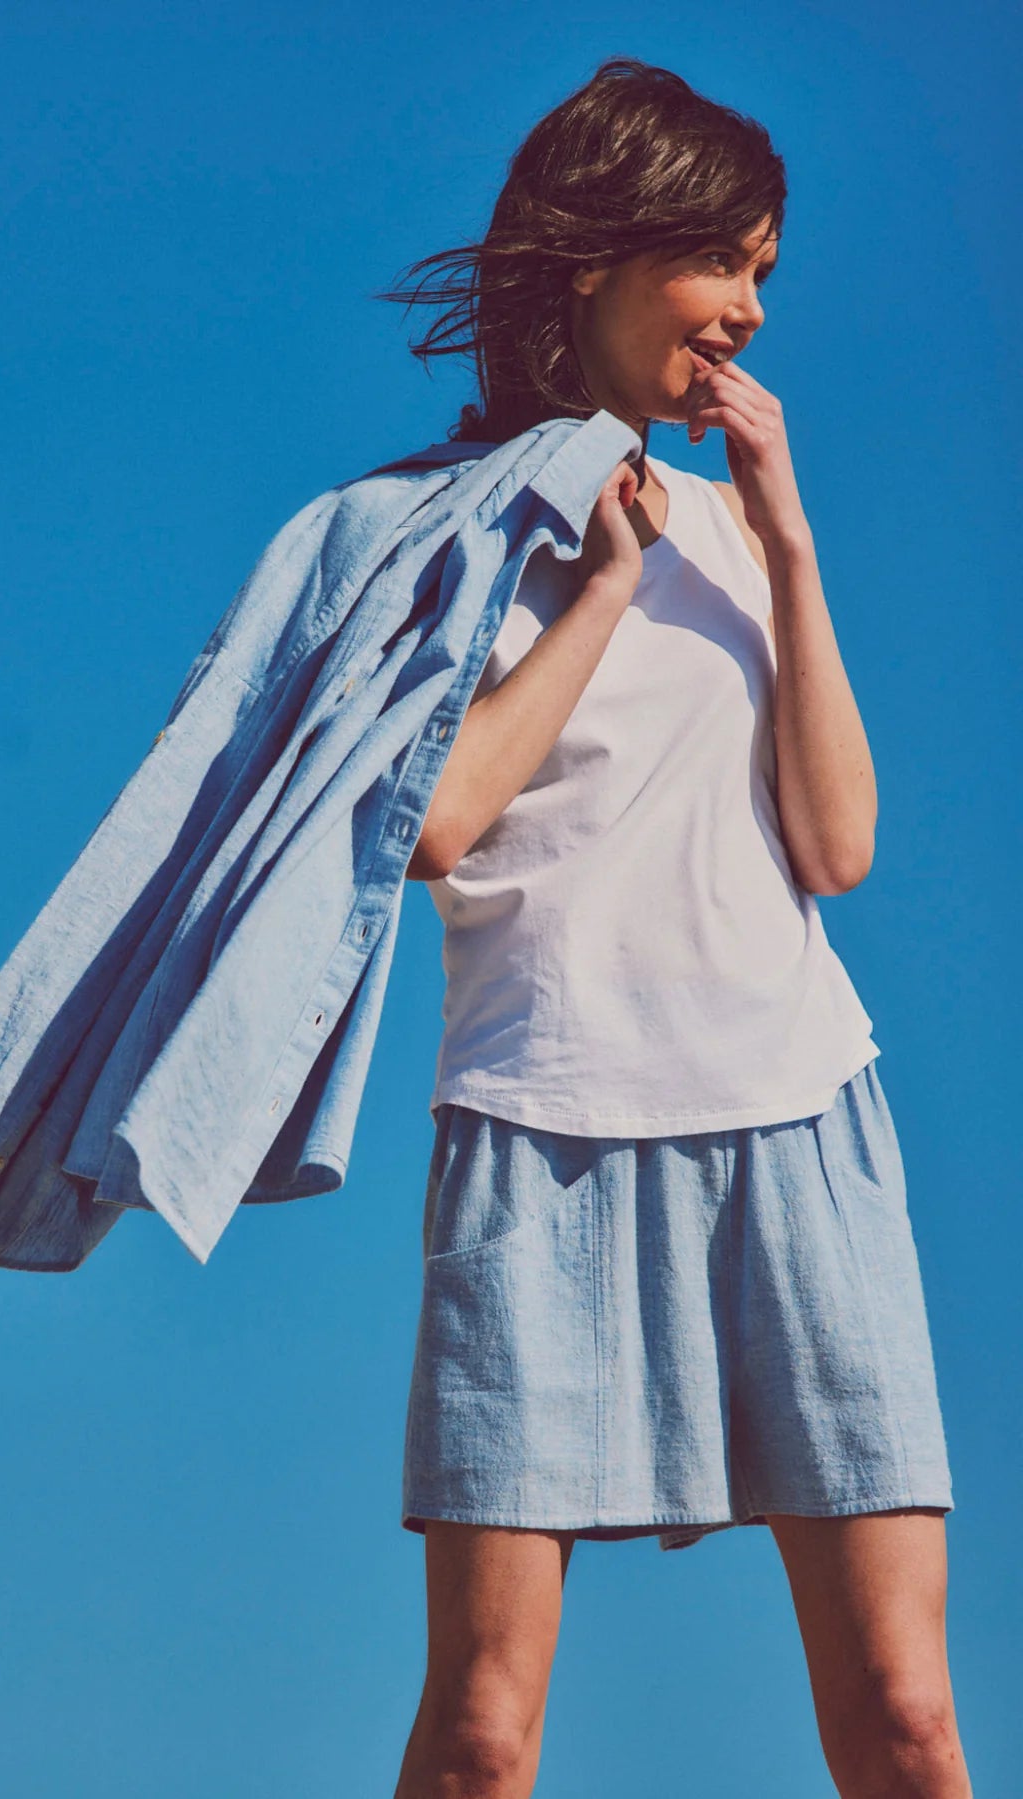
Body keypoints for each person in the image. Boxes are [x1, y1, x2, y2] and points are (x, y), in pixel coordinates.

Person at [378, 57, 972, 1799]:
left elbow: (838, 846)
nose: (750, 312)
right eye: (726, 262)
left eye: (765, 275)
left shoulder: (737, 525)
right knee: (485, 1737)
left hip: (802, 1127)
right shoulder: (436, 534)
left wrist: (782, 542)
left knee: (910, 1717)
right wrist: (610, 584)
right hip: (537, 1136)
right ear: (601, 263)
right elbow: (434, 820)